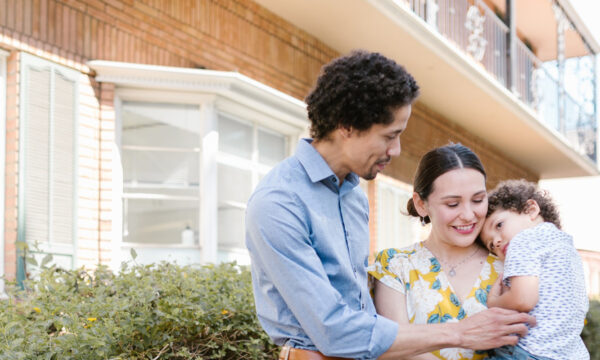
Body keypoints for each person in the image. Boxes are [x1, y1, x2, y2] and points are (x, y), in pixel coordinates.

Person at [246, 50, 534, 360]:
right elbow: (332, 330)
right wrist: (460, 332)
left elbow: (360, 308)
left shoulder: (353, 195)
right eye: (389, 136)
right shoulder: (278, 203)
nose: (396, 150)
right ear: (347, 126)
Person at [369, 143, 510, 360]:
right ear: (421, 204)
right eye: (453, 204)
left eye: (478, 200)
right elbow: (392, 349)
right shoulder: (395, 264)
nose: (468, 214)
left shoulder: (508, 266)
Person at [480, 179, 589, 360]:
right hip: (569, 353)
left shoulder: (523, 240)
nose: (497, 241)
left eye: (499, 225)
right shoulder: (566, 246)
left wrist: (494, 302)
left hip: (529, 351)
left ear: (531, 209)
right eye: (491, 245)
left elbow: (523, 299)